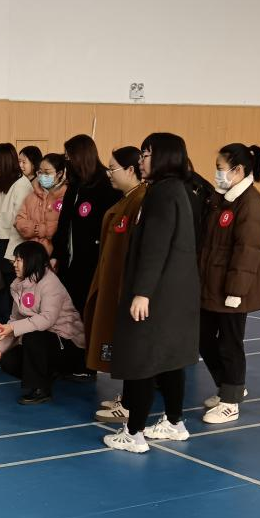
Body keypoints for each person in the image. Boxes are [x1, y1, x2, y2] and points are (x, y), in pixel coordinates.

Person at [103, 133, 199, 454]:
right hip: (175, 293)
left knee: (142, 359)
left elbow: (155, 247)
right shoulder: (176, 189)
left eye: (146, 154)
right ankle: (174, 422)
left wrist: (142, 292)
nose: (141, 160)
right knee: (169, 359)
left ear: (163, 157)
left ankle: (134, 433)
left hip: (156, 294)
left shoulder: (160, 194)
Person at [198, 144, 260, 425]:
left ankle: (230, 402)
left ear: (238, 169)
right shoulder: (221, 199)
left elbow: (247, 251)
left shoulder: (251, 204)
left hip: (233, 290)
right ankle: (229, 386)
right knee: (203, 337)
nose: (217, 173)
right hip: (211, 285)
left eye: (220, 168)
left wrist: (236, 291)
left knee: (230, 343)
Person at [84, 147, 146, 423]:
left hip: (127, 288)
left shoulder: (140, 201)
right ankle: (128, 398)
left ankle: (131, 405)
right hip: (112, 283)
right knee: (117, 342)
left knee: (130, 346)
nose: (108, 173)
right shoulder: (127, 200)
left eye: (113, 168)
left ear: (131, 170)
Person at [0, 240, 86, 405]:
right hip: (46, 343)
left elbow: (47, 319)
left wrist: (11, 327)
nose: (14, 264)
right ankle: (45, 375)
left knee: (33, 337)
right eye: (15, 260)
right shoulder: (19, 285)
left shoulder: (50, 282)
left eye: (19, 260)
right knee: (9, 360)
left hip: (69, 344)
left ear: (31, 261)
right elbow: (15, 320)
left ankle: (41, 389)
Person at [53, 134, 122, 315]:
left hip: (92, 262)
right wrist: (57, 254)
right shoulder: (75, 185)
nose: (67, 162)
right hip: (69, 261)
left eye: (69, 158)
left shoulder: (106, 184)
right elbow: (64, 223)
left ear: (80, 157)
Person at [0, 143, 33, 329]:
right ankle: (5, 325)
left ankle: (14, 328)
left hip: (13, 246)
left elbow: (18, 224)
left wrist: (11, 254)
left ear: (4, 162)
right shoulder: (1, 184)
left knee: (13, 289)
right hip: (1, 243)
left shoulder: (22, 186)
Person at [15, 153, 67, 255]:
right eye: (40, 172)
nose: (42, 176)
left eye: (47, 173)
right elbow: (19, 221)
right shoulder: (31, 196)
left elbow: (63, 226)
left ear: (59, 174)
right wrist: (36, 229)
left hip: (54, 255)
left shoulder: (65, 197)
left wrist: (45, 230)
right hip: (31, 254)